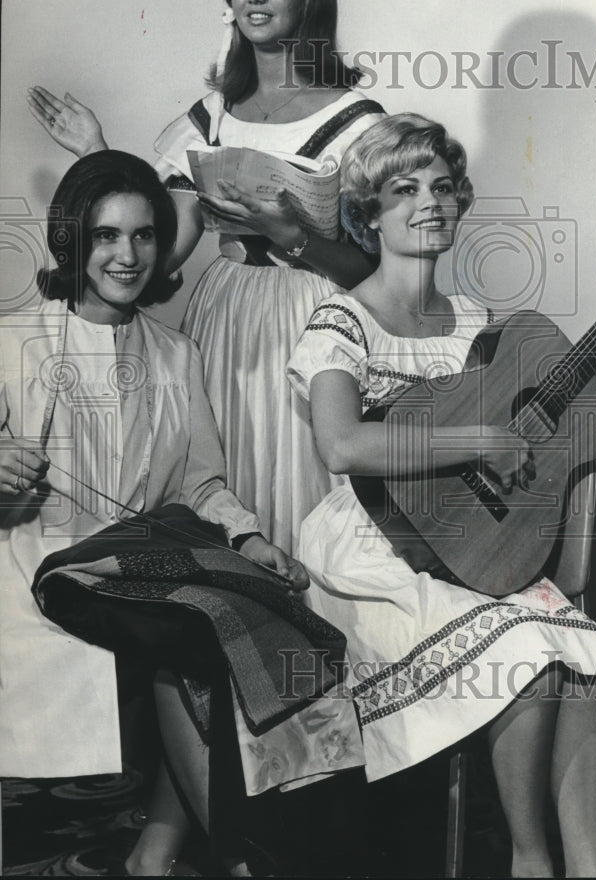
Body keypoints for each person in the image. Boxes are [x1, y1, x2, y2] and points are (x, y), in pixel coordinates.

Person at [285, 113, 596, 878]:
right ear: (367, 212)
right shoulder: (341, 318)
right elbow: (341, 444)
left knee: (581, 657)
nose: (429, 203)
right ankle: (528, 859)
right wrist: (475, 440)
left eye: (441, 186)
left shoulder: (479, 325)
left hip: (472, 541)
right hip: (377, 550)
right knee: (527, 655)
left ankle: (586, 865)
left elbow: (586, 415)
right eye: (403, 190)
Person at [0, 150, 363, 877]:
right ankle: (238, 856)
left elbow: (203, 484)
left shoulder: (174, 353)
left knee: (258, 620)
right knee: (194, 632)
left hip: (142, 561)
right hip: (37, 564)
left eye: (141, 236)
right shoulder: (11, 342)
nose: (127, 256)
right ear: (73, 240)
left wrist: (252, 538)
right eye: (106, 236)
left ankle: (169, 848)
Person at [27, 0, 385, 555]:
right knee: (221, 478)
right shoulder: (213, 115)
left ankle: (318, 640)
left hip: (318, 321)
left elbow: (377, 277)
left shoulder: (359, 122)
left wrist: (291, 236)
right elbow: (156, 253)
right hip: (225, 322)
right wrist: (98, 155)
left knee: (310, 490)